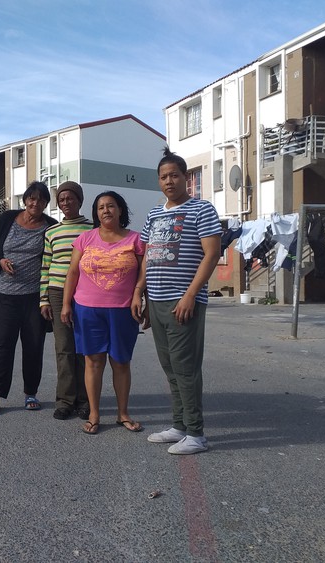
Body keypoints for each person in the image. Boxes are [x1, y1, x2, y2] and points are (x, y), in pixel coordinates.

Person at [134, 147, 221, 455]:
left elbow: (212, 254)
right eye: (163, 177)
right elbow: (146, 255)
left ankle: (196, 434)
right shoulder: (155, 213)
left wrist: (190, 295)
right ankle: (179, 426)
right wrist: (139, 292)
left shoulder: (202, 209)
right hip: (156, 300)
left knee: (186, 367)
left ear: (186, 178)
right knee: (170, 366)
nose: (168, 181)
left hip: (183, 301)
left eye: (174, 175)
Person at [61, 191, 146, 435]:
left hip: (122, 310)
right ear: (95, 213)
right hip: (87, 310)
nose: (106, 210)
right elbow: (73, 273)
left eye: (111, 206)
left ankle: (123, 414)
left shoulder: (136, 240)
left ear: (121, 210)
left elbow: (143, 273)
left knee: (121, 362)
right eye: (100, 207)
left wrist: (140, 297)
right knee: (93, 362)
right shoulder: (85, 239)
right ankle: (95, 414)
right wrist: (67, 304)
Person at [0, 181, 57, 416]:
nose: (36, 203)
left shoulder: (50, 227)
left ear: (45, 204)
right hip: (4, 297)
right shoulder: (7, 220)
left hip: (34, 298)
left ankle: (30, 393)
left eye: (41, 199)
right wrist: (0, 262)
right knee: (1, 346)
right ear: (25, 200)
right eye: (32, 198)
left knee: (34, 346)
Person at [40, 181, 94, 421]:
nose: (65, 203)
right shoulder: (51, 232)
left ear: (80, 200)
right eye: (61, 200)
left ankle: (85, 401)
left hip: (86, 294)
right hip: (57, 292)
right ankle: (64, 401)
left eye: (70, 198)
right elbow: (45, 267)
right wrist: (43, 299)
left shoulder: (93, 230)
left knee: (84, 348)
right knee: (64, 349)